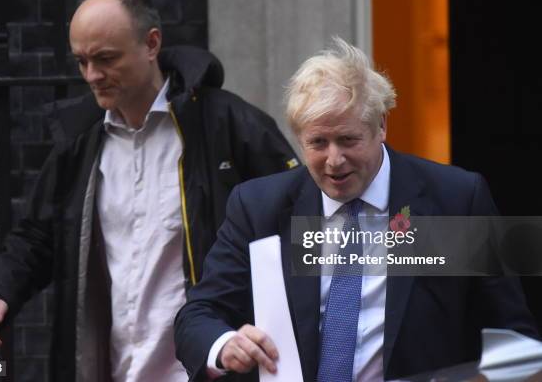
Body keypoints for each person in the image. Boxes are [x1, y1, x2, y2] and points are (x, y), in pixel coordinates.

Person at [0, 0, 298, 382]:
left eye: (106, 58)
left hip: (204, 371)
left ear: (152, 44)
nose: (92, 75)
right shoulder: (79, 142)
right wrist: (0, 291)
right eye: (81, 61)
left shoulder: (228, 125)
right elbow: (39, 235)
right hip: (113, 369)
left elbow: (300, 223)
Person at [173, 37, 539, 381]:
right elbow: (198, 315)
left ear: (381, 126)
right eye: (318, 143)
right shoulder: (259, 208)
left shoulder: (453, 200)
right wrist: (224, 345)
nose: (334, 160)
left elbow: (512, 336)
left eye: (348, 140)